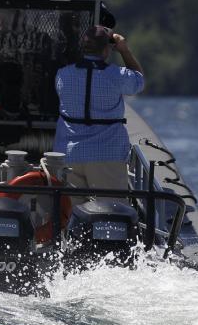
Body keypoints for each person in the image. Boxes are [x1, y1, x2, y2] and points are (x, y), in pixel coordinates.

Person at [53, 25, 144, 199]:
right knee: (111, 212)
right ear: (107, 49)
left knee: (72, 215)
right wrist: (124, 51)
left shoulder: (62, 75)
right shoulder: (117, 75)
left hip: (69, 154)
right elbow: (139, 81)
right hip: (107, 154)